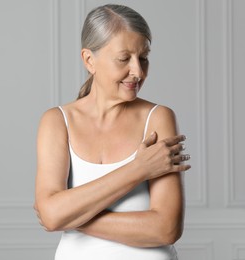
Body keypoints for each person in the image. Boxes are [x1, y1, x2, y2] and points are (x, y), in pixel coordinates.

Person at [34, 4, 191, 260]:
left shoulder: (158, 118)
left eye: (144, 58)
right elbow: (51, 215)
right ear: (89, 60)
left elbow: (166, 229)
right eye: (124, 58)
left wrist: (70, 217)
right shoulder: (57, 121)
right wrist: (138, 169)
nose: (138, 71)